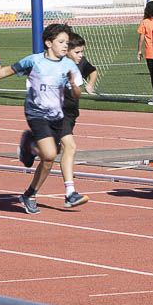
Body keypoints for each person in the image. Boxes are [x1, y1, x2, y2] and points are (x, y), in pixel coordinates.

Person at [0, 24, 85, 213]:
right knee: (49, 154)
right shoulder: (34, 61)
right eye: (61, 42)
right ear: (49, 43)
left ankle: (30, 193)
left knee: (51, 159)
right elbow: (7, 70)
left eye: (67, 42)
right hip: (36, 113)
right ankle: (31, 144)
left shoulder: (69, 65)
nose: (65, 46)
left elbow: (78, 93)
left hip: (57, 114)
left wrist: (73, 85)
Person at [55, 31, 99, 201]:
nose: (81, 55)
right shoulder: (58, 65)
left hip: (71, 113)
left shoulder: (80, 63)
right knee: (70, 147)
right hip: (58, 113)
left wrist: (90, 83)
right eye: (77, 52)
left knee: (52, 156)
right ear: (67, 50)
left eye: (82, 52)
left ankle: (31, 191)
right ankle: (70, 192)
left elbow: (93, 71)